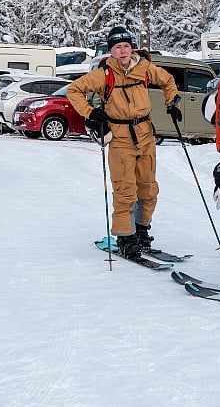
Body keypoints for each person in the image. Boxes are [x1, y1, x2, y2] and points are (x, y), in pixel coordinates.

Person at [65, 26, 181, 258]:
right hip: (119, 137)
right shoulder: (104, 74)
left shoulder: (145, 68)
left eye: (126, 46)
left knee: (148, 189)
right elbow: (74, 90)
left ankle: (141, 230)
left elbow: (168, 81)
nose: (123, 51)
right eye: (118, 47)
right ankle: (125, 237)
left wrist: (173, 104)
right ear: (111, 51)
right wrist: (90, 112)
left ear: (132, 47)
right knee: (125, 190)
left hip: (145, 133)